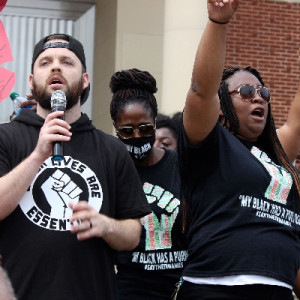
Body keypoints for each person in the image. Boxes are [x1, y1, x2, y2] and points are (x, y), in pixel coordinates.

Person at [0, 34, 151, 299]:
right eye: (45, 62)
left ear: (84, 80)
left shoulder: (112, 150)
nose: (56, 67)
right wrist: (38, 155)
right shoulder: (5, 138)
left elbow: (134, 236)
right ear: (32, 82)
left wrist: (106, 226)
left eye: (67, 62)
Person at [176, 1, 300, 299]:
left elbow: (296, 124)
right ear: (221, 108)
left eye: (263, 93)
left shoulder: (275, 154)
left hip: (277, 289)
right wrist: (218, 22)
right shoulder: (212, 143)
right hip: (216, 288)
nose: (257, 98)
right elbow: (200, 90)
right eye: (245, 92)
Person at [109, 68, 188, 299]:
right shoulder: (112, 172)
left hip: (181, 287)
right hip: (130, 289)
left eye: (144, 128)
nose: (136, 135)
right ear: (116, 128)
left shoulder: (181, 166)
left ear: (154, 122)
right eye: (126, 130)